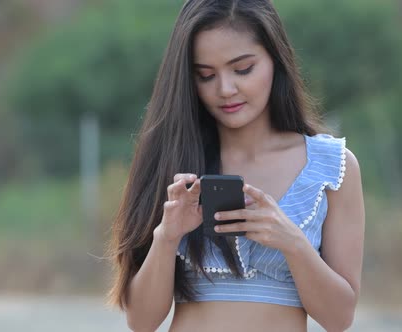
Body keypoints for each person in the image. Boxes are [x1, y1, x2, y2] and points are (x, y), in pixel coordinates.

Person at [107, 0, 365, 331]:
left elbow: (339, 318)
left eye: (242, 69)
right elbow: (140, 321)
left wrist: (292, 242)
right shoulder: (172, 160)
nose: (225, 90)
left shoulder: (332, 167)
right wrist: (167, 236)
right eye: (205, 75)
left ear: (276, 59)